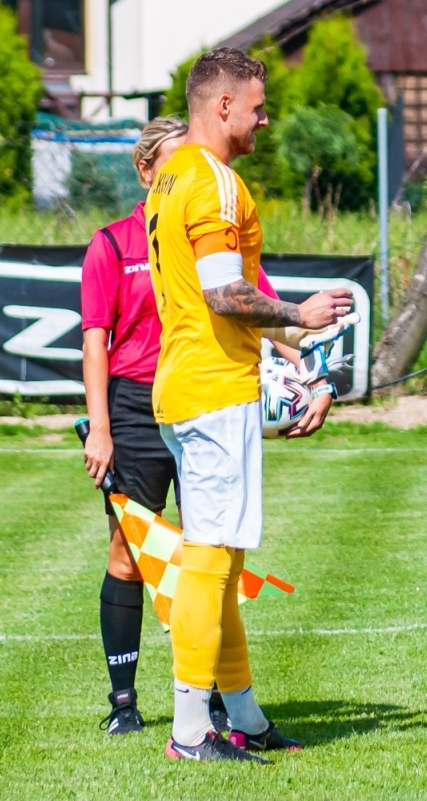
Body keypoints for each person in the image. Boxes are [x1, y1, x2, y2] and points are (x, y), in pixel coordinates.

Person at [81, 116, 335, 738]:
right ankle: (151, 711)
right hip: (160, 402)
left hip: (188, 395)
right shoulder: (121, 240)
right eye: (170, 163)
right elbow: (101, 338)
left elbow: (263, 313)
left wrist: (319, 376)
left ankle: (233, 709)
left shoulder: (200, 217)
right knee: (158, 556)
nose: (183, 172)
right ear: (148, 173)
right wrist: (101, 426)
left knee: (216, 555)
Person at [146, 47, 354, 763]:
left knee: (226, 561)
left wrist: (295, 336)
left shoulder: (170, 176)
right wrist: (300, 312)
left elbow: (216, 297)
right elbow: (223, 295)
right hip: (212, 387)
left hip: (185, 383)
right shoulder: (214, 181)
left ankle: (243, 718)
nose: (267, 117)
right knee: (208, 560)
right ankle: (189, 731)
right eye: (259, 105)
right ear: (223, 105)